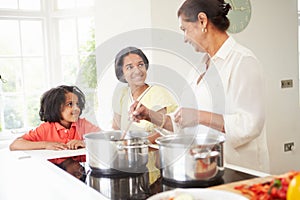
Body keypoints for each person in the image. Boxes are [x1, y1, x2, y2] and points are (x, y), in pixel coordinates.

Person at [130, 0, 270, 172]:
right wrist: (150, 115)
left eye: (185, 29)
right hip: (203, 170)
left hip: (237, 172)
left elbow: (250, 125)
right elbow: (183, 122)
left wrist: (199, 116)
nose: (184, 39)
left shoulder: (243, 61)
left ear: (202, 21)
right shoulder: (200, 67)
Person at [112, 46, 178, 183]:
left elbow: (166, 131)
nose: (137, 70)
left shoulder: (159, 94)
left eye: (140, 65)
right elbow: (115, 127)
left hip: (153, 169)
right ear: (121, 73)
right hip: (126, 164)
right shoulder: (121, 95)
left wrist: (136, 145)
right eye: (129, 67)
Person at [9, 85, 101, 178]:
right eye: (70, 104)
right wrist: (46, 144)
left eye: (77, 104)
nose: (77, 108)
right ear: (56, 108)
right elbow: (15, 145)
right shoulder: (46, 129)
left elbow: (106, 139)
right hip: (53, 176)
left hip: (81, 174)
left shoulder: (82, 124)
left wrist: (84, 142)